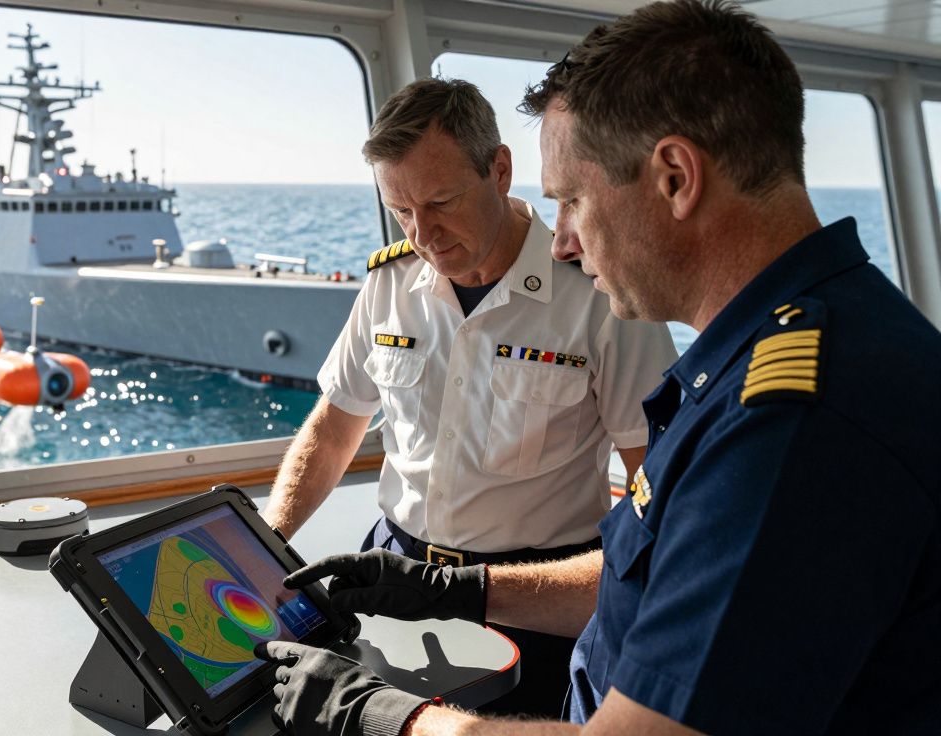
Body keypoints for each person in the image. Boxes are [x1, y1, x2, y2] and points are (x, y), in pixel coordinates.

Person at [254, 1, 941, 734]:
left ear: (675, 177)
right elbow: (648, 579)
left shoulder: (791, 425)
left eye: (572, 201)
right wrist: (454, 589)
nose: (562, 242)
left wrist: (391, 718)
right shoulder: (777, 355)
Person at [260, 78, 677, 717]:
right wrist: (266, 546)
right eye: (402, 211)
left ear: (500, 169)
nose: (423, 233)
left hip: (529, 594)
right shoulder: (390, 283)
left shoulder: (599, 291)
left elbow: (653, 484)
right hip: (390, 576)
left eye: (442, 201)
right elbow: (335, 427)